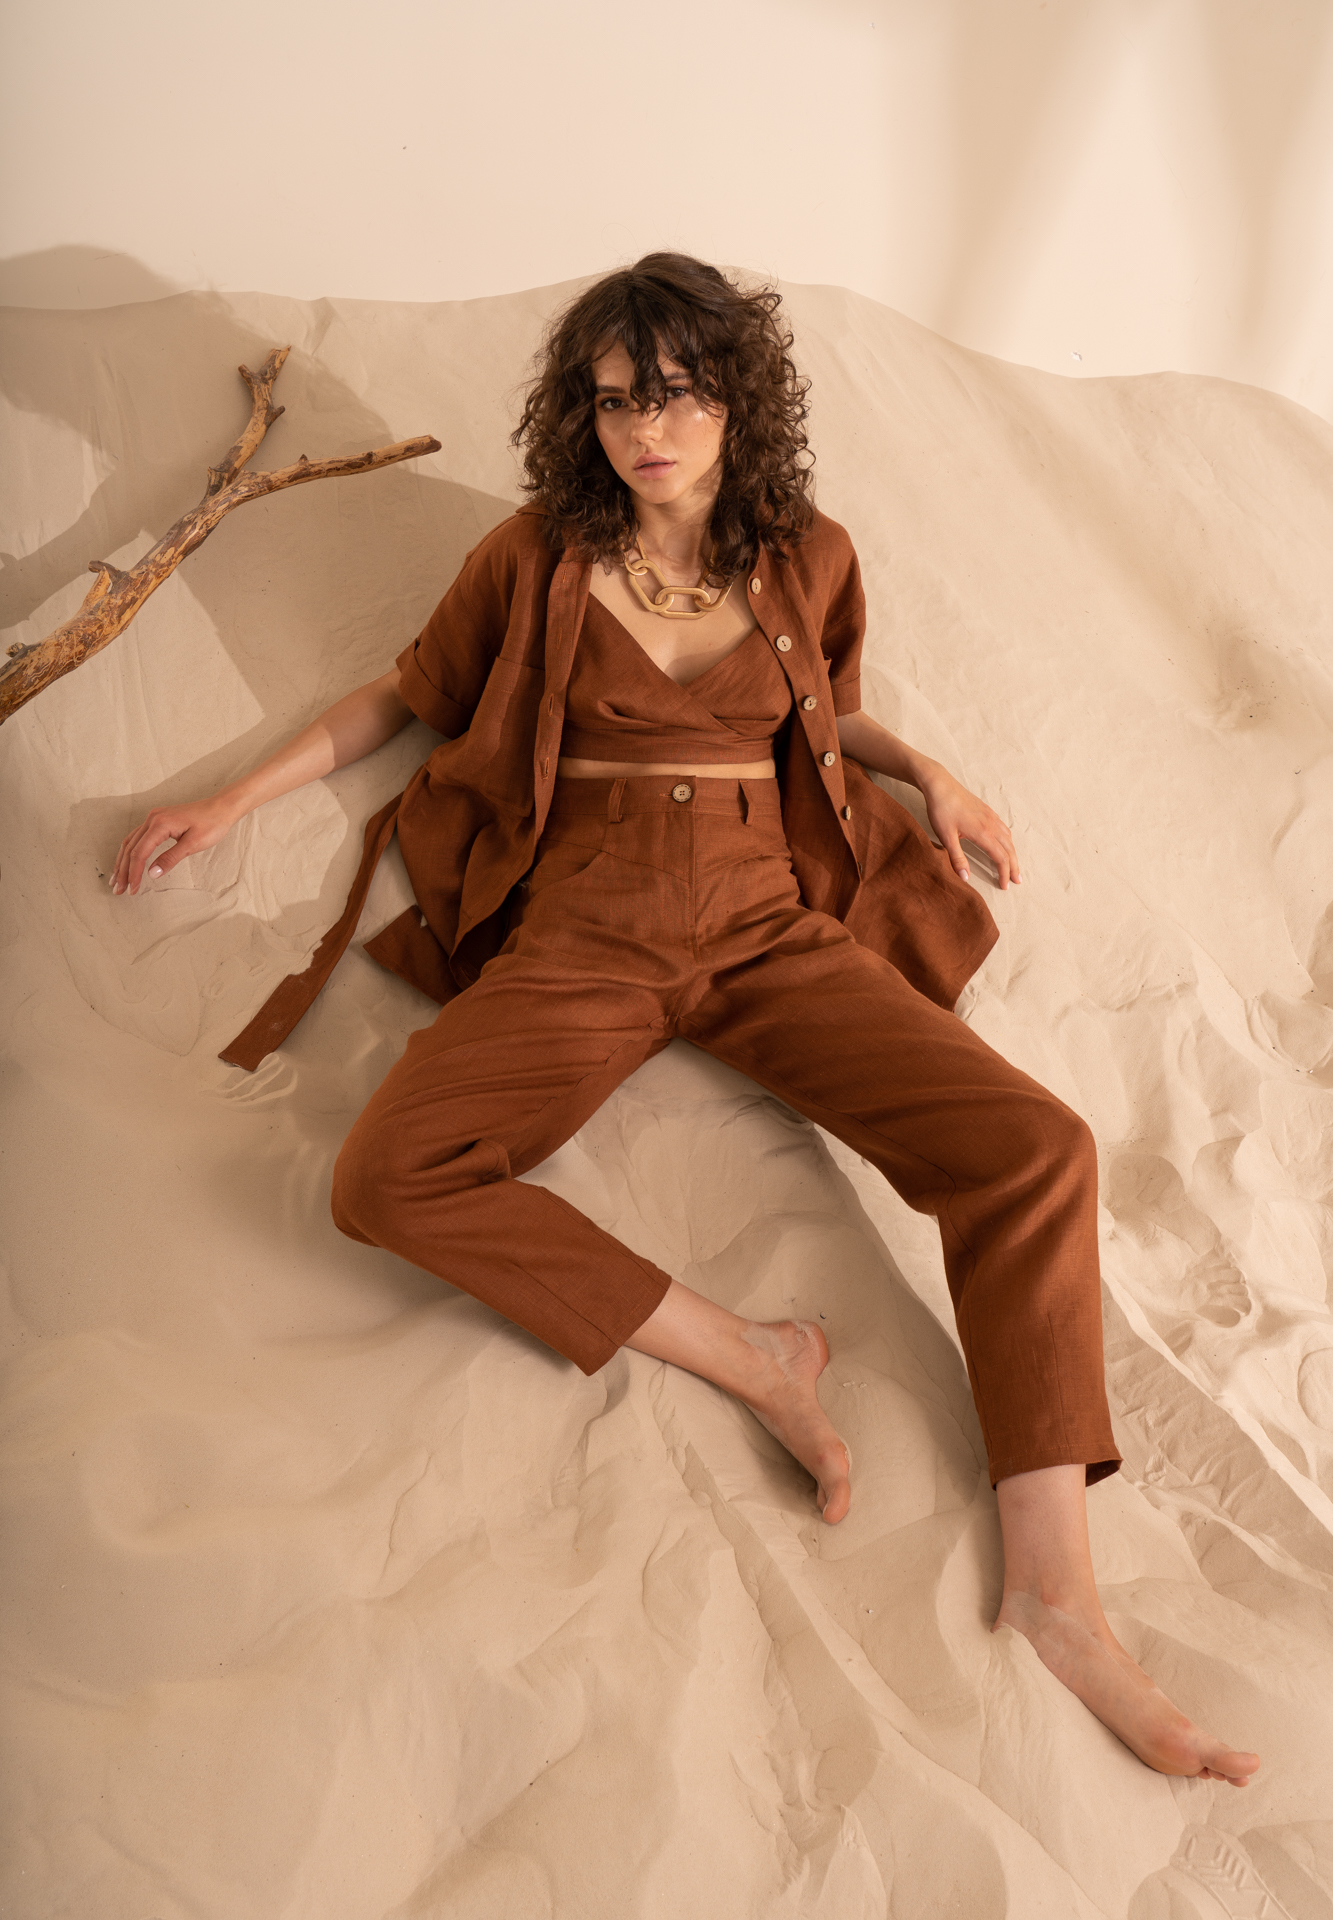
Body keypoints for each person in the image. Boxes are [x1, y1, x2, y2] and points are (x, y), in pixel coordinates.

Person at [111, 252, 1258, 1787]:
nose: (642, 429)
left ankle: (1059, 1596)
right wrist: (230, 798)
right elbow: (404, 696)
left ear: (734, 396)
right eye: (610, 401)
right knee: (387, 1172)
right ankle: (751, 1353)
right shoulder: (533, 559)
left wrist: (927, 773)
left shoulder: (809, 556)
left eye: (671, 393)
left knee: (1035, 1149)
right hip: (584, 932)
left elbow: (824, 714)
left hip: (766, 926)